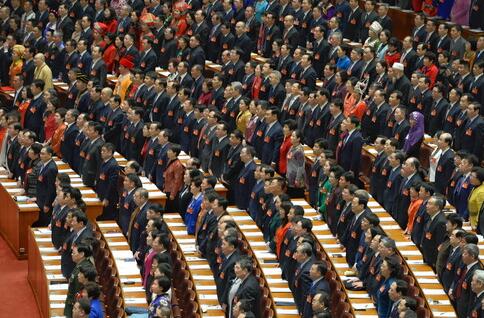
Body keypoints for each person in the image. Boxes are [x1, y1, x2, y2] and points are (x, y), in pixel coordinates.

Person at [65, 243, 95, 318]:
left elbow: (78, 292)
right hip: (73, 304)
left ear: (81, 254)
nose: (72, 254)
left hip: (77, 307)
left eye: (74, 253)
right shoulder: (79, 265)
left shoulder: (84, 270)